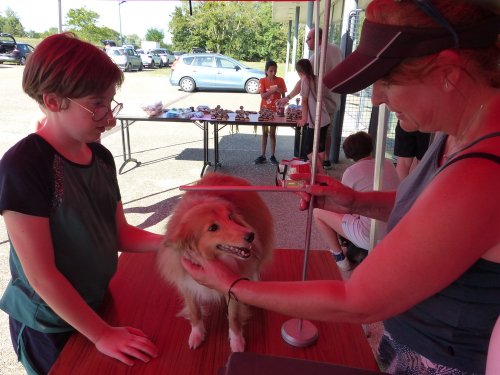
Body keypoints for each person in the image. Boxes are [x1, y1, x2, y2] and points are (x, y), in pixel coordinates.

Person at [181, 1, 500, 373]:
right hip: (414, 337)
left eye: (387, 81)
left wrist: (235, 285)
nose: (378, 97)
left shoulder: (484, 172)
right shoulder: (458, 133)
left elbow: (358, 300)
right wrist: (356, 201)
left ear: (448, 71)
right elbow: (430, 210)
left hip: (443, 359)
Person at [0, 33, 162, 374]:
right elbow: (42, 276)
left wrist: (181, 243)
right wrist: (101, 334)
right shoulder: (24, 165)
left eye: (110, 102)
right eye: (97, 104)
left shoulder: (100, 156)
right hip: (49, 323)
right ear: (54, 101)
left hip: (96, 304)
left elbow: (121, 235)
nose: (110, 116)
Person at [314, 131, 399, 271]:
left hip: (370, 235)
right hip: (395, 230)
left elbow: (344, 204)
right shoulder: (388, 164)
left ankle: (340, 258)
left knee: (318, 212)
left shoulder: (351, 172)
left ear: (348, 154)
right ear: (370, 147)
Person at [277, 27, 343, 169]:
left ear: (319, 38)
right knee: (326, 133)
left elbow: (303, 84)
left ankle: (317, 167)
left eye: (309, 38)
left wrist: (288, 98)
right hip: (333, 101)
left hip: (320, 105)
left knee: (311, 145)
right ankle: (325, 161)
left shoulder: (316, 57)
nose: (306, 41)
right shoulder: (337, 50)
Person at [295, 59, 331, 175]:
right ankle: (319, 172)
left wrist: (304, 119)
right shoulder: (316, 78)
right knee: (320, 147)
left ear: (299, 71)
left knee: (308, 149)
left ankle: (321, 172)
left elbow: (304, 101)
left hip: (315, 121)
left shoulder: (305, 80)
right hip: (324, 118)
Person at [254, 60, 287, 165]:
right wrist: (273, 90)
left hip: (275, 111)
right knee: (264, 133)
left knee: (272, 133)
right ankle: (263, 155)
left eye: (275, 71)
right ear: (266, 71)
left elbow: (284, 95)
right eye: (271, 71)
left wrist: (280, 94)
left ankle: (272, 156)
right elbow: (263, 96)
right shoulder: (262, 80)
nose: (273, 73)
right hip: (264, 110)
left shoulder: (280, 80)